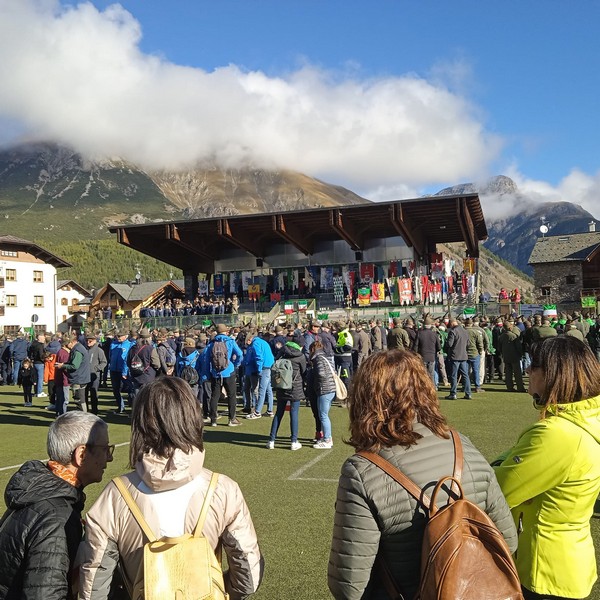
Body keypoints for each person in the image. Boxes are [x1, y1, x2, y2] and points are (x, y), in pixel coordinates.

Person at [328, 349, 517, 600]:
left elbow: (350, 586)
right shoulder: (462, 444)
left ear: (364, 399)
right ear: (424, 390)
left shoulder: (361, 471)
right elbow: (507, 541)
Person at [77, 377, 264, 599]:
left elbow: (92, 587)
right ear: (192, 418)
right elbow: (249, 574)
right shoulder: (223, 489)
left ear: (140, 424)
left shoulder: (115, 494)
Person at [494, 336, 600, 600]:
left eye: (534, 365)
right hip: (571, 559)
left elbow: (497, 490)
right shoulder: (585, 418)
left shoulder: (557, 434)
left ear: (553, 373)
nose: (528, 371)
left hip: (545, 570)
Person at [0, 412, 112, 600]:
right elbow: (45, 594)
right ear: (82, 454)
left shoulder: (40, 489)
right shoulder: (56, 517)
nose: (109, 458)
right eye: (105, 449)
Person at [266, 335, 307, 450]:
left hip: (281, 385)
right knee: (294, 414)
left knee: (279, 413)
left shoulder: (282, 351)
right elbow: (304, 371)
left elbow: (275, 363)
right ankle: (294, 441)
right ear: (301, 346)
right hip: (295, 387)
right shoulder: (300, 356)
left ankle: (271, 440)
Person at [309, 340, 336, 449]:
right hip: (331, 389)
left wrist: (315, 378)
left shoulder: (318, 359)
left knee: (323, 415)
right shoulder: (327, 357)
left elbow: (321, 373)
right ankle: (327, 437)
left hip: (324, 389)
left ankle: (327, 439)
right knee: (324, 415)